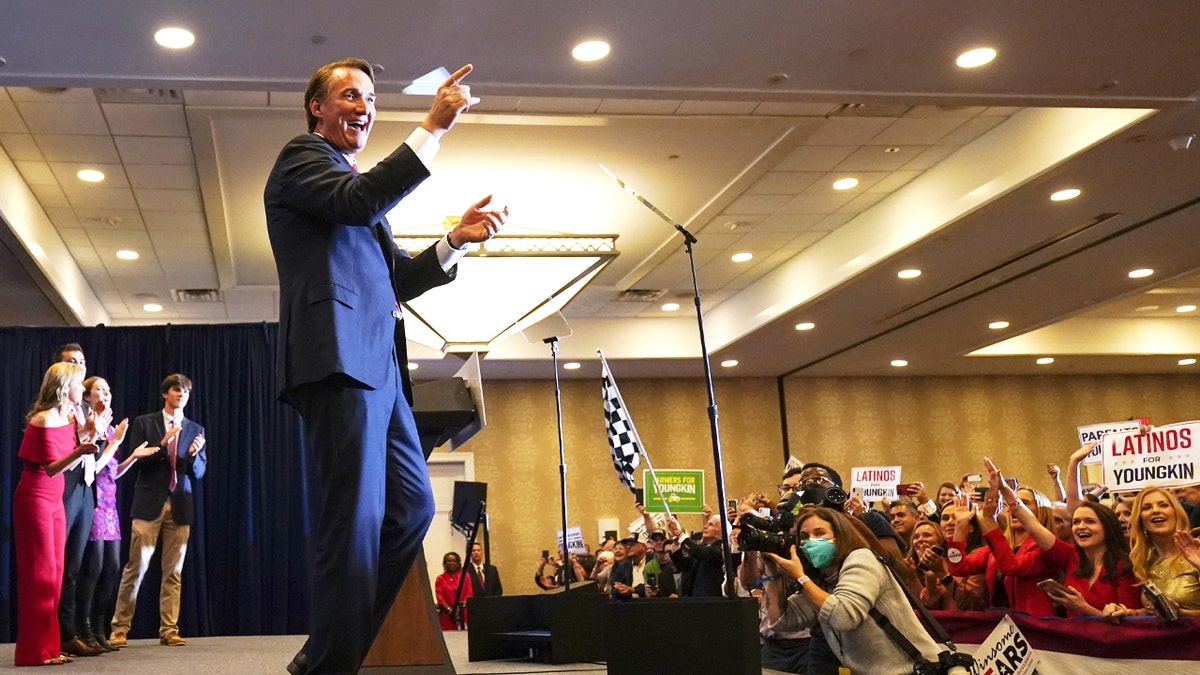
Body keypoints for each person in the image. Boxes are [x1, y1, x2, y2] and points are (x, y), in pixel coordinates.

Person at [265, 58, 507, 675]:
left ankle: (326, 656)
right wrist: (434, 127)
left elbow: (397, 275)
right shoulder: (302, 160)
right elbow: (359, 197)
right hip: (339, 362)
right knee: (354, 522)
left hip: (384, 373)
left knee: (410, 510)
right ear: (316, 107)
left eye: (371, 97)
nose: (364, 106)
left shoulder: (359, 197)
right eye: (349, 95)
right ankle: (333, 664)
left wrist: (455, 239)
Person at [764, 507, 946, 675]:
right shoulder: (824, 579)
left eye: (819, 533)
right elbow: (783, 620)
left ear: (840, 536)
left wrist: (800, 577)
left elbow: (843, 616)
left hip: (914, 669)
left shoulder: (861, 559)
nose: (811, 541)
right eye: (804, 537)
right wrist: (772, 573)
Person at [13, 363, 104, 666]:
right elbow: (51, 467)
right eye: (80, 384)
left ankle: (50, 647)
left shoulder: (64, 418)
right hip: (36, 498)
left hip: (54, 500)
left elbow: (64, 456)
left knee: (55, 575)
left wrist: (87, 434)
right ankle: (33, 651)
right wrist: (81, 450)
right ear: (65, 388)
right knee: (39, 576)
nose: (84, 389)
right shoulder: (42, 419)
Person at [109, 374, 207, 647]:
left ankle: (169, 630)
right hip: (148, 504)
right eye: (176, 390)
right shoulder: (144, 423)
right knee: (136, 568)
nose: (181, 395)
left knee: (173, 572)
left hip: (180, 506)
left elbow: (199, 473)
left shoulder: (196, 429)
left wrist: (195, 455)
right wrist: (163, 446)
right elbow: (136, 464)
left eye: (185, 392)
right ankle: (119, 629)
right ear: (165, 394)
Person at [988, 458, 1139, 617]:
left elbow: (1130, 625)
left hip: (1109, 641)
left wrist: (1083, 608)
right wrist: (1005, 490)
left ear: (1108, 527)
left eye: (1090, 521)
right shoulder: (1070, 556)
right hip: (1071, 638)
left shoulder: (1124, 567)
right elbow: (1034, 525)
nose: (1081, 526)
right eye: (1076, 522)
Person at [76, 377, 154, 652]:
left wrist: (131, 456)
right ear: (86, 396)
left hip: (110, 505)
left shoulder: (109, 429)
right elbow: (92, 468)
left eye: (109, 390)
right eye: (100, 389)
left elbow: (112, 471)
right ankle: (82, 628)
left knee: (111, 568)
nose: (106, 394)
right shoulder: (85, 426)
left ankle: (98, 627)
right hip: (91, 501)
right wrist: (115, 442)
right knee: (93, 567)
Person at [51, 345, 105, 658]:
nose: (79, 366)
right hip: (64, 487)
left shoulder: (80, 405)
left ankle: (68, 633)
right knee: (59, 565)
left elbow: (86, 445)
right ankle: (57, 632)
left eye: (82, 361)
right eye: (72, 361)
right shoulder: (57, 405)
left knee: (74, 566)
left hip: (85, 489)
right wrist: (87, 434)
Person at [1104, 486, 1200, 620]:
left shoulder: (1197, 549)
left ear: (1176, 513)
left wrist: (1182, 613)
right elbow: (1153, 612)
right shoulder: (1144, 559)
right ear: (1140, 520)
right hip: (1167, 641)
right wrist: (1130, 613)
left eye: (1163, 505)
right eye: (1147, 507)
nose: (1156, 510)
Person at [434, 552, 472, 630]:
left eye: (454, 561)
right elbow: (440, 599)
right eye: (449, 561)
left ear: (458, 563)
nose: (452, 563)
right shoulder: (440, 579)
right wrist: (451, 610)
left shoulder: (465, 576)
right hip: (448, 616)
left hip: (463, 614)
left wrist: (459, 609)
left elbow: (469, 594)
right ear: (445, 563)